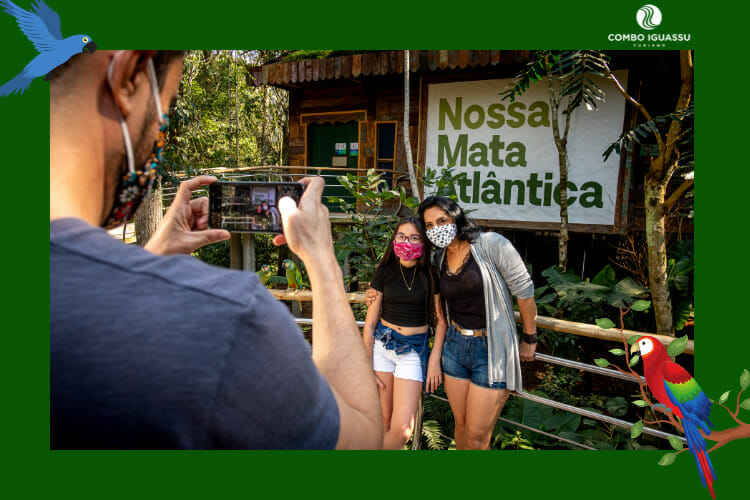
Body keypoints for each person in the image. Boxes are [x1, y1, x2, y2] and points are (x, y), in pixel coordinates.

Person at [50, 50, 382, 449]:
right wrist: (323, 259)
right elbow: (363, 439)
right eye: (166, 110)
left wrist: (150, 257)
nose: (162, 130)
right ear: (130, 73)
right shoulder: (229, 322)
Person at [366, 196, 538, 450]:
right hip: (455, 346)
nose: (437, 228)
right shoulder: (439, 259)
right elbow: (433, 306)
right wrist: (372, 294)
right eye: (430, 225)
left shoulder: (491, 244)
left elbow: (524, 290)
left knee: (478, 437)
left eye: (442, 221)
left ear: (456, 218)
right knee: (461, 428)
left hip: (490, 349)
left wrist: (530, 338)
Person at [362, 216, 447, 449]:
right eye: (401, 236)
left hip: (413, 351)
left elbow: (441, 322)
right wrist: (364, 365)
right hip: (382, 346)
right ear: (394, 239)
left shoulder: (431, 276)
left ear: (423, 243)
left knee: (401, 432)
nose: (406, 241)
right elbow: (370, 325)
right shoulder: (384, 271)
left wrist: (434, 360)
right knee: (383, 422)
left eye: (413, 237)